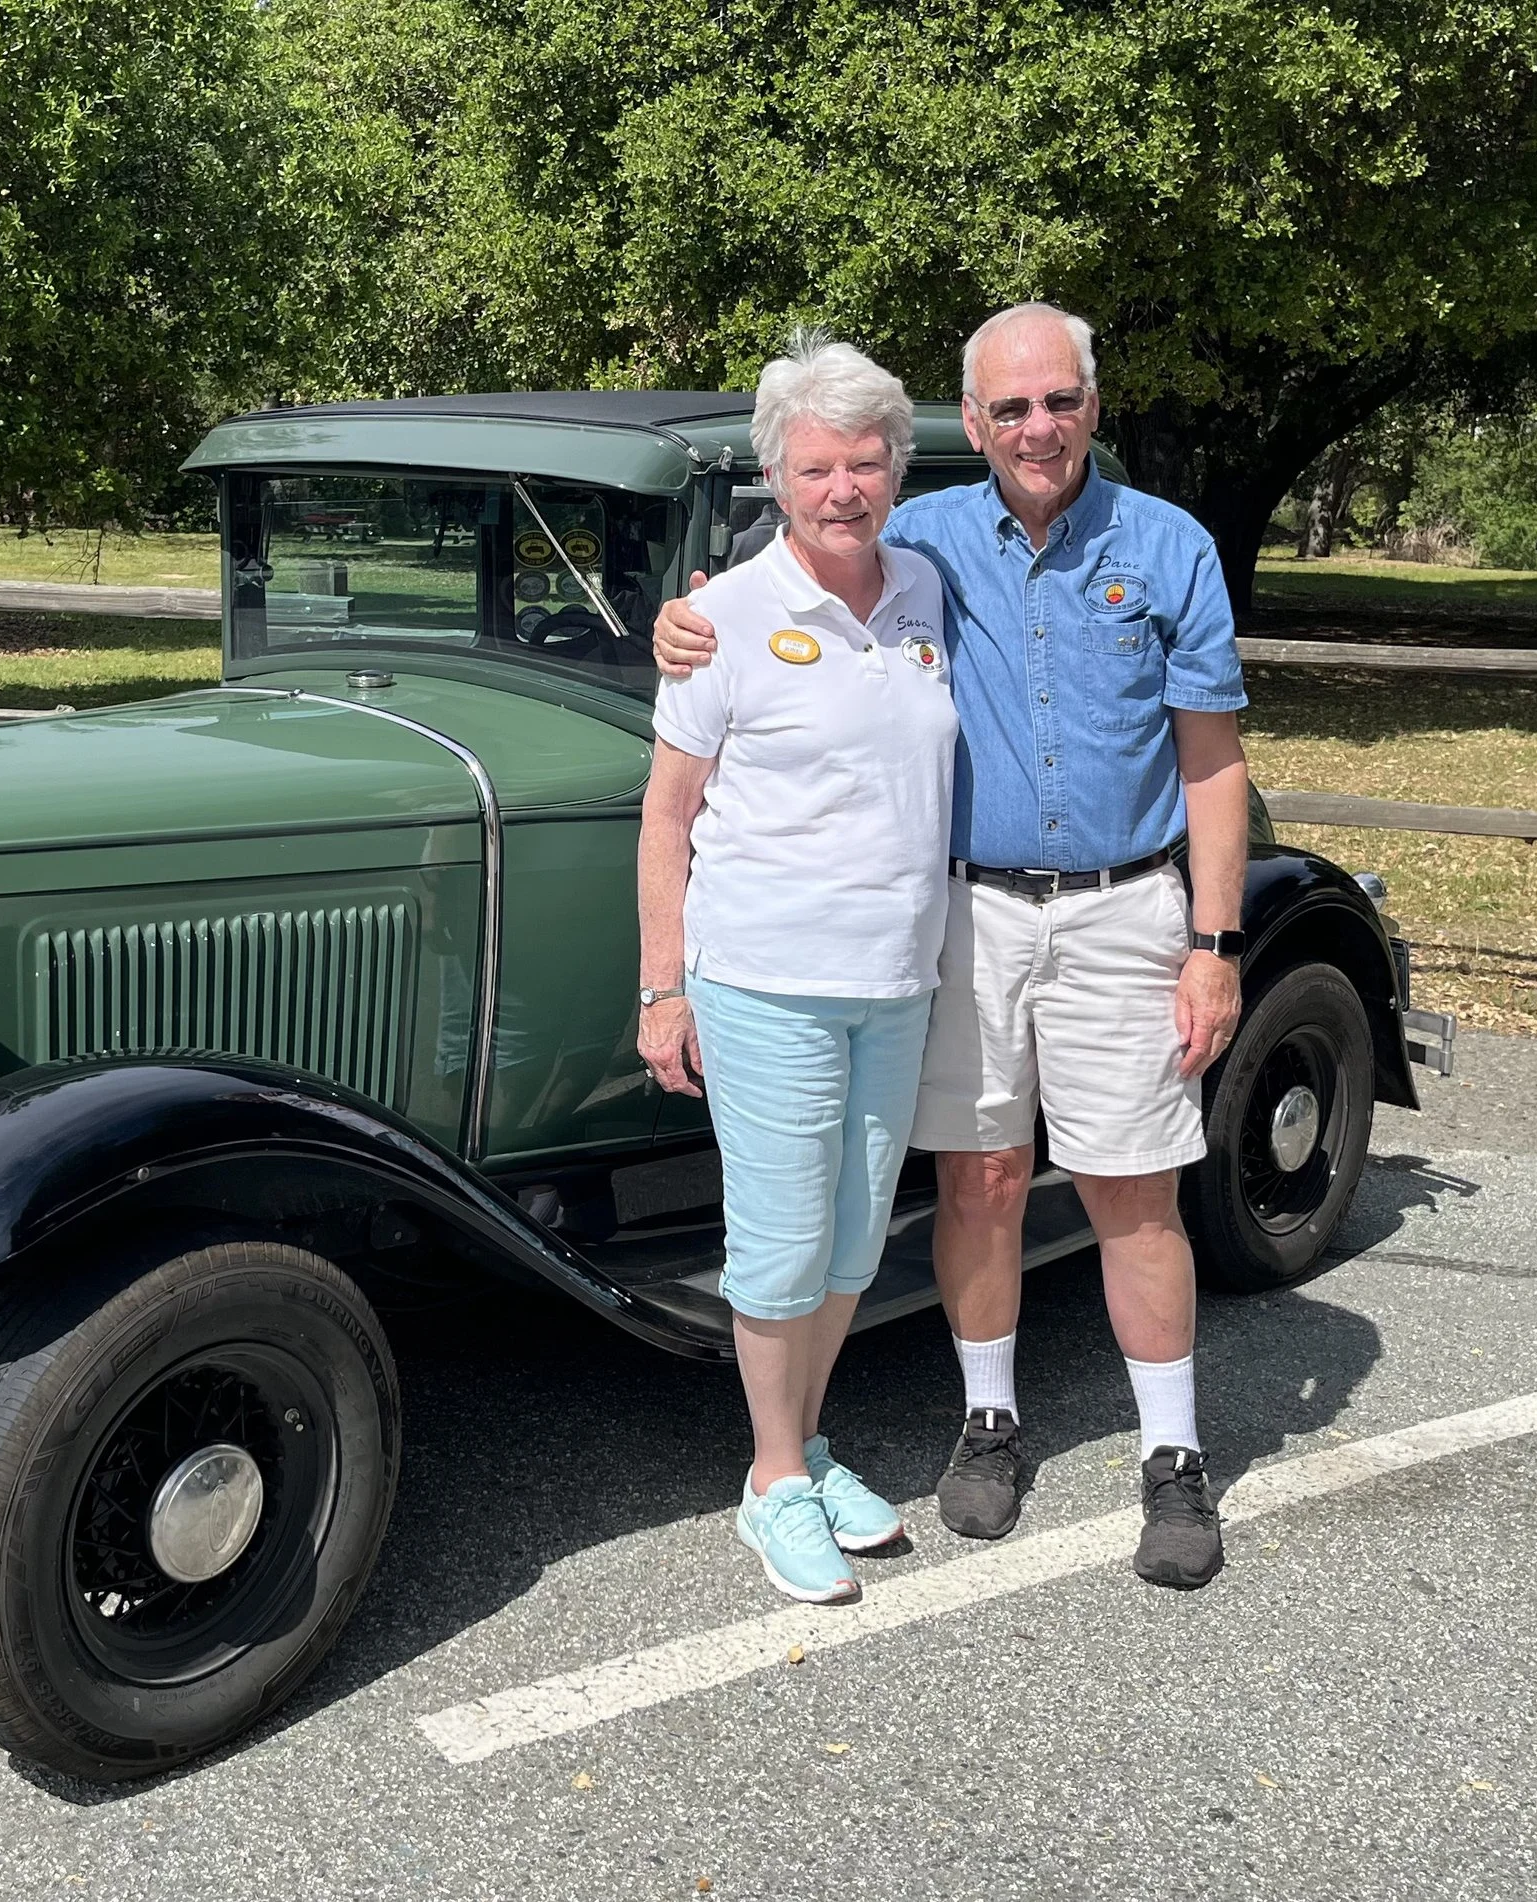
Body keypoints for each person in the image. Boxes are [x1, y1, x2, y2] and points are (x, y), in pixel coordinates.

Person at [653, 303, 1251, 1590]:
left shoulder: (1167, 546)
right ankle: (986, 1421)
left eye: (1059, 400)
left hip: (1122, 908)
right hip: (965, 913)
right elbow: (794, 557)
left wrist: (1215, 941)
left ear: (1093, 405)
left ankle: (1173, 1454)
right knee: (977, 1178)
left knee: (1132, 1191)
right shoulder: (922, 539)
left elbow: (1212, 761)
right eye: (1007, 408)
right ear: (970, 424)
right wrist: (682, 618)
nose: (1037, 427)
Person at [637, 335, 956, 1604]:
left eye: (865, 464)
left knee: (848, 1246)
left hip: (896, 977)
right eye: (816, 467)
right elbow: (666, 817)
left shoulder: (930, 591)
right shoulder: (721, 620)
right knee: (774, 1247)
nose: (842, 490)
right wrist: (663, 987)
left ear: (896, 469)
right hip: (763, 977)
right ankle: (771, 1482)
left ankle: (808, 1449)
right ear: (777, 474)